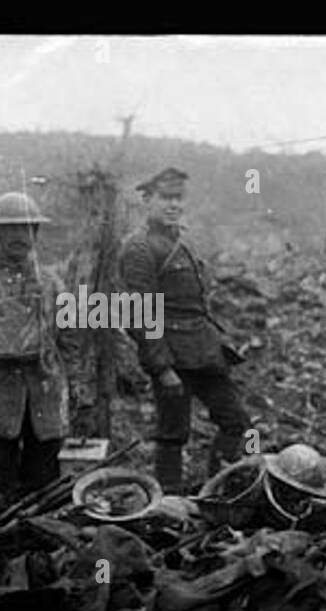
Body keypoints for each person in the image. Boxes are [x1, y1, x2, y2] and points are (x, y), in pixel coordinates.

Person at [119, 167, 250, 492]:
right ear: (147, 201)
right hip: (171, 356)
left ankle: (219, 490)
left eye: (178, 198)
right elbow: (140, 315)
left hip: (204, 352)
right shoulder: (139, 248)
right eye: (165, 198)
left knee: (236, 422)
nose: (173, 205)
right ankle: (170, 499)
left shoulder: (182, 243)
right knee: (172, 433)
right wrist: (161, 369)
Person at [0, 191, 76, 515]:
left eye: (26, 228)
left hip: (44, 393)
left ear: (35, 232)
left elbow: (70, 338)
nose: (19, 235)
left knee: (45, 479)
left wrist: (75, 389)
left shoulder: (52, 282)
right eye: (10, 228)